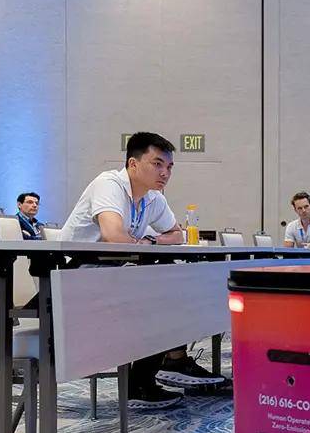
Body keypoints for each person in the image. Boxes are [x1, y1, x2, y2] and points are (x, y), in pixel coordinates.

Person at [61, 131, 226, 408]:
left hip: (113, 274)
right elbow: (113, 236)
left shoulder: (153, 198)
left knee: (175, 283)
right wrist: (147, 242)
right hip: (72, 279)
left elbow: (177, 234)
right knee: (163, 291)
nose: (165, 173)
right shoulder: (109, 184)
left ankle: (161, 368)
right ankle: (160, 369)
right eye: (157, 164)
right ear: (133, 164)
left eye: (169, 167)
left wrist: (151, 241)